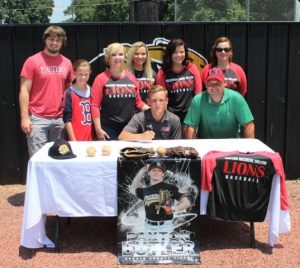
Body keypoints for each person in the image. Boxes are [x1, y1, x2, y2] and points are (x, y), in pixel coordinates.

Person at [19, 25, 74, 156]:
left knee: (58, 159)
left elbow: (69, 91)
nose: (54, 43)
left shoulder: (66, 63)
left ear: (62, 42)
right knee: (38, 159)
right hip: (38, 120)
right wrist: (24, 118)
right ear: (45, 40)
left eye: (58, 40)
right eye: (51, 39)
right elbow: (24, 90)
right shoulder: (32, 61)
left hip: (59, 120)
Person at [91, 43, 149, 140]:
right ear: (108, 58)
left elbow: (138, 102)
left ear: (125, 57)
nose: (117, 57)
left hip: (129, 128)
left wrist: (154, 111)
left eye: (120, 54)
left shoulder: (131, 78)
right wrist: (98, 128)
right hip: (108, 129)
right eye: (114, 55)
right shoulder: (100, 78)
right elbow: (94, 105)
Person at [184, 67, 255, 139]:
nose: (214, 87)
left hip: (232, 145)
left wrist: (249, 149)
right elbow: (191, 128)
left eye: (218, 83)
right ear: (205, 85)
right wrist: (195, 149)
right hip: (205, 145)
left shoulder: (236, 98)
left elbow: (249, 125)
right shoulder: (198, 100)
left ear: (224, 83)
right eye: (210, 84)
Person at [156, 38, 202, 136]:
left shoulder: (191, 68)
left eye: (182, 52)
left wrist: (195, 115)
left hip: (190, 115)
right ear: (170, 54)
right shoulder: (163, 72)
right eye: (175, 52)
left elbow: (198, 93)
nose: (179, 55)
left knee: (190, 146)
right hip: (171, 115)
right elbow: (161, 97)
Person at [130, 161, 191, 233]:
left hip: (165, 226)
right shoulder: (145, 190)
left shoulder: (171, 188)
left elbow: (186, 203)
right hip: (148, 226)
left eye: (159, 171)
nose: (156, 172)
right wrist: (142, 171)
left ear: (163, 174)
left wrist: (174, 209)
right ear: (149, 173)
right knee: (148, 244)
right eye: (153, 170)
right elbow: (132, 189)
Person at [63, 59, 93, 141]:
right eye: (80, 74)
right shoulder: (69, 93)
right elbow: (67, 119)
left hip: (90, 138)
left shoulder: (92, 91)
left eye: (86, 74)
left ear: (90, 73)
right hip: (76, 137)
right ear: (74, 73)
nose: (83, 77)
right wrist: (73, 140)